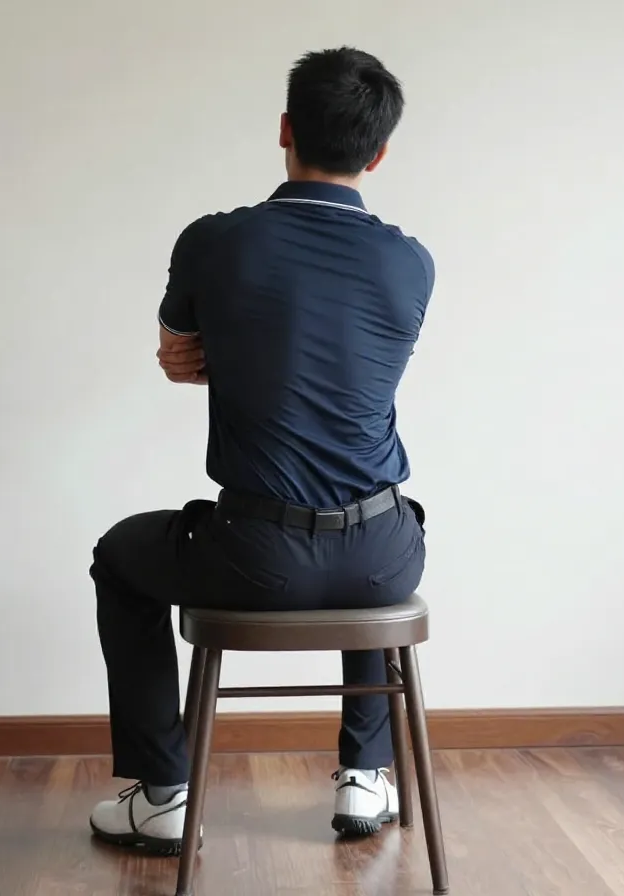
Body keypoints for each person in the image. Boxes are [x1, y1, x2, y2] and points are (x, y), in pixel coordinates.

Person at [88, 46, 434, 853]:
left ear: (284, 129)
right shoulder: (411, 262)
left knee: (118, 555)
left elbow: (181, 356)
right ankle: (365, 776)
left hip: (257, 555)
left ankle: (163, 794)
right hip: (386, 551)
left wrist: (223, 353)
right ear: (379, 153)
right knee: (374, 544)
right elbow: (344, 364)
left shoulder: (215, 242)